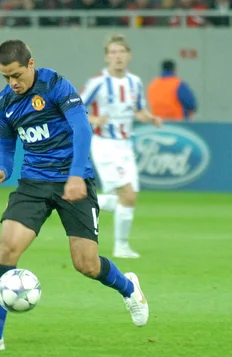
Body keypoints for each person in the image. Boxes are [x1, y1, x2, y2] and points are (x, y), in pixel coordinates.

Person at [0, 40, 149, 353]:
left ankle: (129, 287)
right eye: (6, 77)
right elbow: (7, 146)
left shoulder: (56, 86)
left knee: (86, 264)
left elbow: (82, 129)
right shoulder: (5, 101)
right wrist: (2, 170)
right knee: (7, 249)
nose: (13, 83)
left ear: (31, 64)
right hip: (33, 183)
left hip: (73, 180)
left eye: (17, 75)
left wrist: (76, 174)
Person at [80, 34, 163, 259]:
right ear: (107, 57)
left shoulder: (134, 82)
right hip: (104, 144)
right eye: (113, 53)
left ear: (129, 56)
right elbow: (76, 107)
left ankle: (85, 200)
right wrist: (95, 120)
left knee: (130, 197)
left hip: (126, 145)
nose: (117, 57)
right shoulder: (98, 82)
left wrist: (150, 118)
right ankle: (120, 246)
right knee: (127, 195)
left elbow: (139, 110)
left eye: (121, 52)